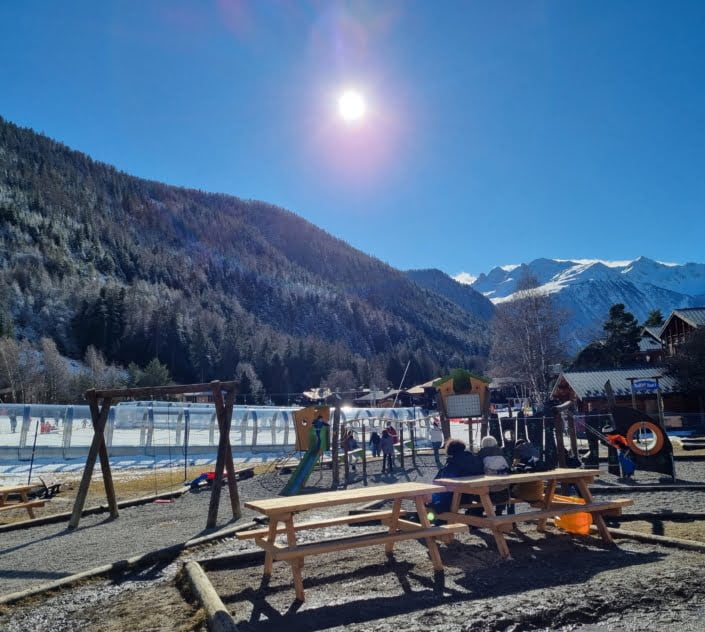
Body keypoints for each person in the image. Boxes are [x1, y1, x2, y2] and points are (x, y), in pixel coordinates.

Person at [429, 439, 484, 514]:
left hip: (459, 496)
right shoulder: (474, 459)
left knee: (435, 497)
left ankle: (435, 516)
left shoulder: (453, 463)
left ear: (450, 450)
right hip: (475, 495)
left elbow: (443, 480)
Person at [478, 435, 511, 514]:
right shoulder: (502, 453)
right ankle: (499, 511)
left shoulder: (481, 454)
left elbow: (478, 470)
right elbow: (509, 467)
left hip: (487, 491)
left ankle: (478, 513)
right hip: (503, 491)